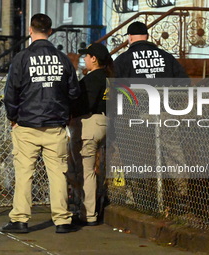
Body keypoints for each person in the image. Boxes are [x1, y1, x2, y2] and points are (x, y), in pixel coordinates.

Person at [0, 13, 80, 234]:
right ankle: (62, 220)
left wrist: (13, 118)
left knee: (25, 173)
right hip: (55, 125)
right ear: (50, 32)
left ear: (30, 30)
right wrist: (67, 115)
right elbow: (74, 92)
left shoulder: (22, 58)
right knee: (57, 173)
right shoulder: (62, 59)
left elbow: (11, 92)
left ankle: (20, 219)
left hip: (27, 125)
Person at [113, 21, 190, 214]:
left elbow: (115, 89)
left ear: (130, 38)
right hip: (164, 113)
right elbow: (184, 83)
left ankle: (137, 196)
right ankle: (182, 194)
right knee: (172, 153)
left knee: (137, 155)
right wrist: (171, 103)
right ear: (147, 37)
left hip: (137, 116)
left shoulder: (123, 59)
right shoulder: (166, 57)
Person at [68, 43, 113, 225]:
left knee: (84, 170)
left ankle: (89, 214)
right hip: (106, 123)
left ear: (94, 59)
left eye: (86, 56)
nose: (84, 59)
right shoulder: (110, 77)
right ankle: (90, 208)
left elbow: (86, 103)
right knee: (94, 170)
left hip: (90, 123)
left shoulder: (93, 78)